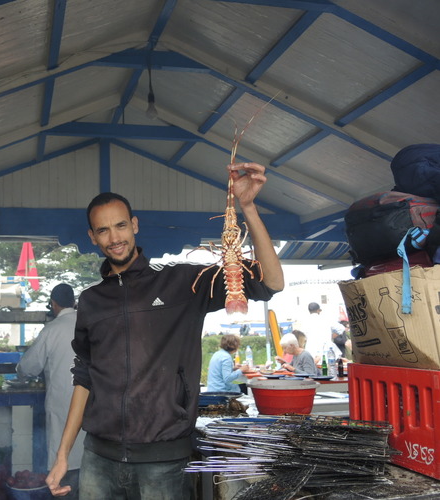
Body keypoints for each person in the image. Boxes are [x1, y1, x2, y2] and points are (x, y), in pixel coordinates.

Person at [46, 161, 284, 499]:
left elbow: (271, 282)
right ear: (92, 237)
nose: (114, 238)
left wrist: (247, 208)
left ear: (135, 226)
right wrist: (61, 455)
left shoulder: (180, 282)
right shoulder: (91, 301)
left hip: (163, 461)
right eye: (103, 230)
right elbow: (83, 378)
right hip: (99, 459)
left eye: (121, 225)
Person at [17, 283, 86, 499]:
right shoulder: (88, 326)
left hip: (62, 411)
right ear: (74, 302)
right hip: (92, 413)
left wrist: (19, 372)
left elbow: (28, 367)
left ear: (53, 304)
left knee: (64, 473)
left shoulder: (52, 329)